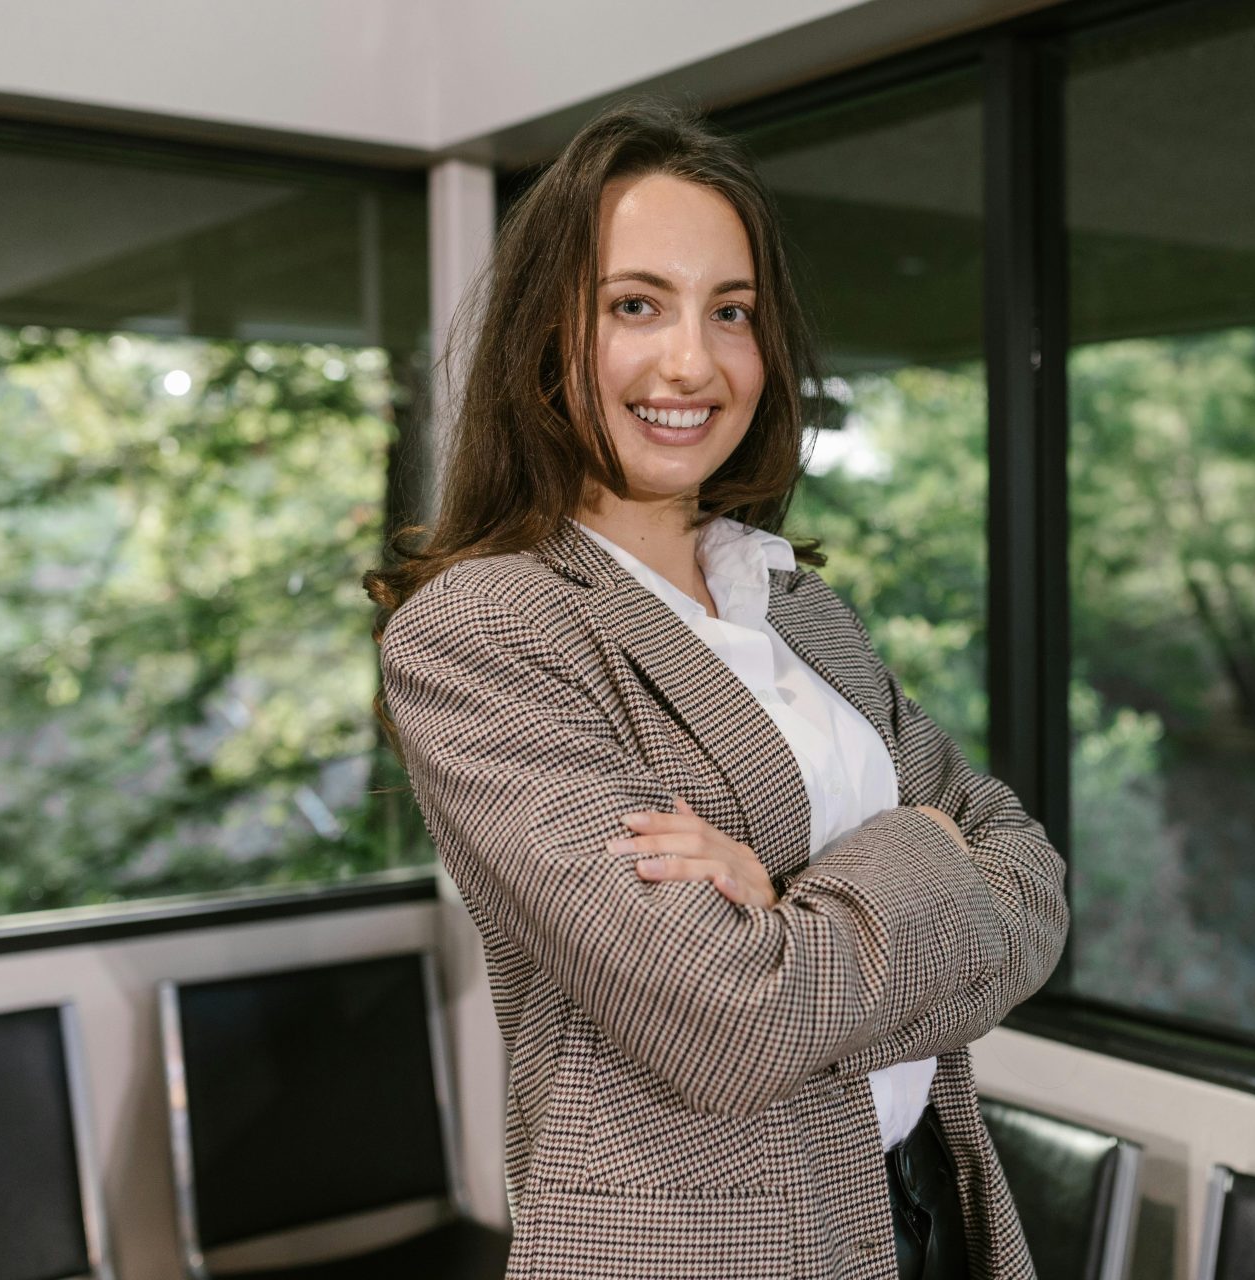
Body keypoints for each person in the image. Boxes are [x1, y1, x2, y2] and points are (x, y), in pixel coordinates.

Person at [364, 98, 1069, 1280]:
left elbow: (1038, 887)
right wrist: (930, 846)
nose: (692, 360)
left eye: (730, 311)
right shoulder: (486, 629)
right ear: (545, 334)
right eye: (634, 304)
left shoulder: (791, 601)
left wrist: (793, 907)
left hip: (919, 1205)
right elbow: (733, 1024)